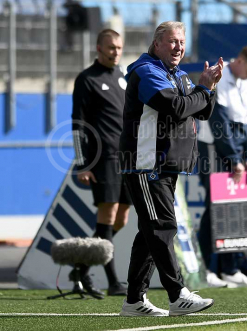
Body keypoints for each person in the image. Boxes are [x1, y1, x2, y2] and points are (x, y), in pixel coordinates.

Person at [118, 21, 223, 317]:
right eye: (172, 41)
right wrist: (200, 89)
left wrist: (207, 85)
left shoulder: (177, 74)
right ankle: (177, 295)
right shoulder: (147, 71)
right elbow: (176, 107)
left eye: (181, 42)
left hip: (164, 165)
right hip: (145, 165)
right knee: (161, 227)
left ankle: (134, 301)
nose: (178, 47)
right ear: (157, 43)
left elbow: (201, 110)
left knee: (151, 232)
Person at [198, 44, 247, 288]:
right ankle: (205, 270)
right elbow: (220, 123)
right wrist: (235, 160)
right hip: (213, 148)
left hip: (236, 149)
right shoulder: (221, 74)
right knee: (215, 207)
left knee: (235, 206)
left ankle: (231, 269)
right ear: (240, 60)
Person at [71, 29, 131, 298]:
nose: (115, 51)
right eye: (110, 47)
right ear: (98, 48)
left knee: (122, 218)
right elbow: (77, 125)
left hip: (127, 158)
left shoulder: (123, 78)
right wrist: (82, 164)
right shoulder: (87, 79)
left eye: (118, 47)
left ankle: (82, 265)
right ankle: (114, 281)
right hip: (103, 158)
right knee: (107, 216)